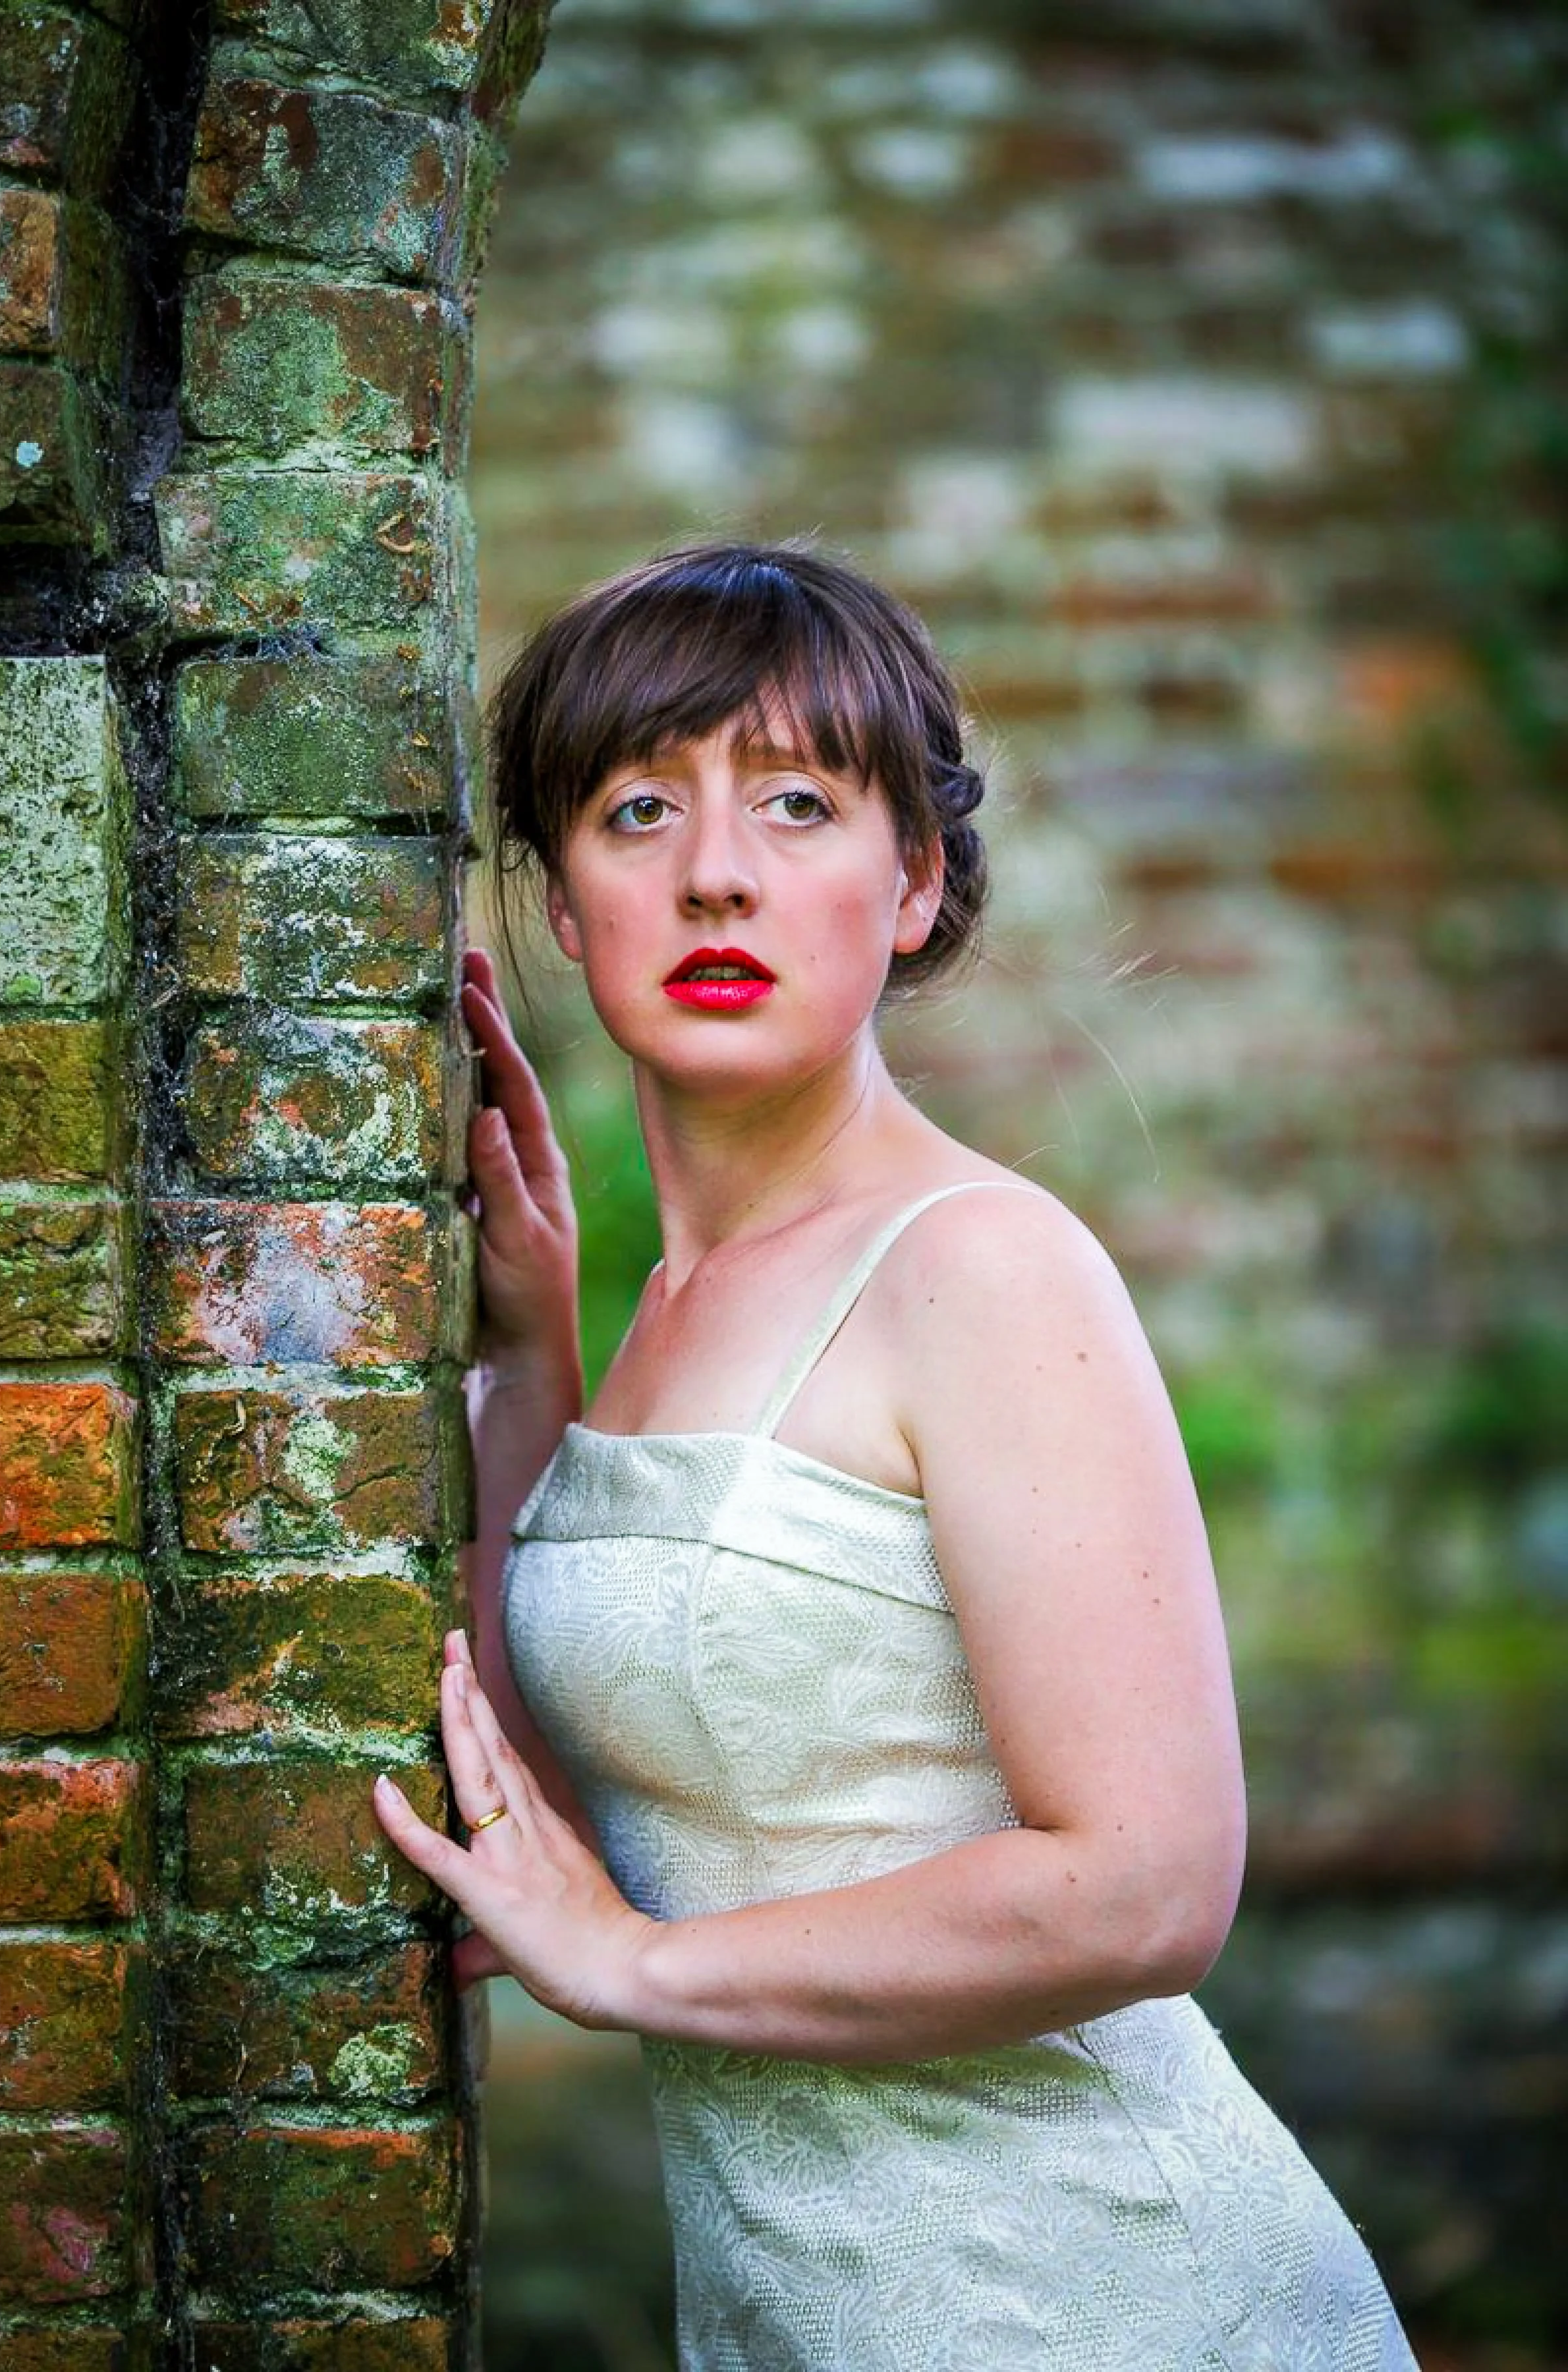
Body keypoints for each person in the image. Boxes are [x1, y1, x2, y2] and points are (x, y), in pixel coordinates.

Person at [373, 541, 1419, 2369]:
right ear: (558, 907)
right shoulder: (671, 1309)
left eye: (797, 804)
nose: (715, 871)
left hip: (1111, 2305)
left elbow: (1149, 1887)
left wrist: (637, 1971)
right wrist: (531, 1364)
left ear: (915, 882)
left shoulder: (980, 1270)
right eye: (637, 811)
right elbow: (553, 1797)